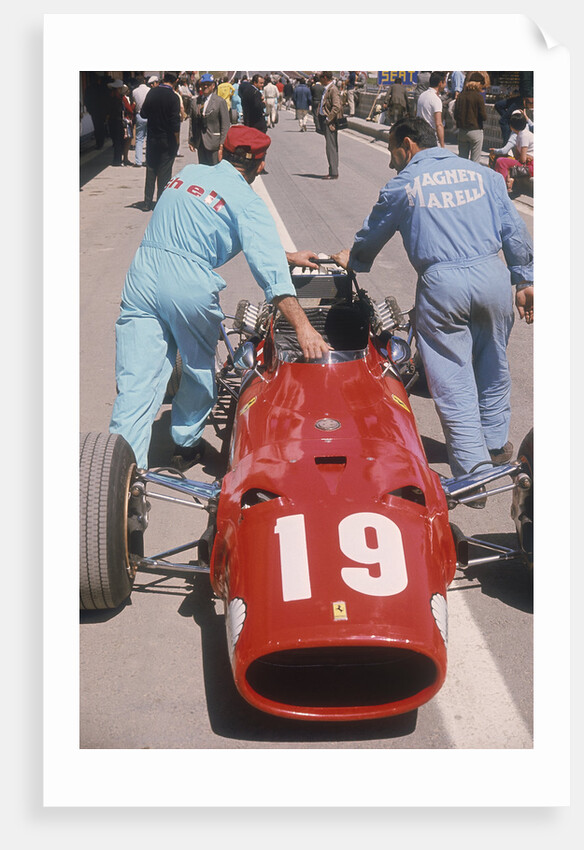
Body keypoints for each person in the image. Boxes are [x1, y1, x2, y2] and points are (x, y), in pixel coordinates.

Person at [109, 125, 329, 471]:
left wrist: (285, 254)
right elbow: (272, 278)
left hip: (142, 276)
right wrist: (303, 327)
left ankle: (120, 473)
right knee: (198, 369)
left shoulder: (189, 173)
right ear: (261, 164)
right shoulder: (248, 202)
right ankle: (186, 442)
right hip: (187, 285)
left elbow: (199, 224)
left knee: (136, 381)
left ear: (222, 154)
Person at [331, 116, 533, 482]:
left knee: (452, 378)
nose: (392, 161)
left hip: (443, 287)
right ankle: (495, 443)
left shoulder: (403, 185)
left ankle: (474, 474)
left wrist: (355, 258)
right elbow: (514, 231)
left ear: (407, 144)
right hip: (493, 277)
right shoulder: (484, 176)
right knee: (493, 365)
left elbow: (373, 233)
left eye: (394, 151)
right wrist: (524, 280)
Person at [139, 72, 181, 210]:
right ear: (176, 81)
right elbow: (175, 123)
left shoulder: (152, 93)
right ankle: (161, 203)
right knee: (164, 173)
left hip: (152, 139)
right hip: (167, 141)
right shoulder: (174, 98)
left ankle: (147, 202)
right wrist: (177, 141)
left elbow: (143, 113)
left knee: (151, 171)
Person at [189, 73, 230, 166]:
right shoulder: (196, 102)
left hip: (214, 143)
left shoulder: (219, 102)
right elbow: (192, 122)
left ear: (213, 86)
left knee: (215, 171)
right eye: (203, 84)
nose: (205, 86)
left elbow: (225, 125)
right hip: (200, 143)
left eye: (208, 84)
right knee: (203, 170)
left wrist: (222, 145)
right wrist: (191, 140)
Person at [494, 111, 534, 194]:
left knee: (501, 161)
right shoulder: (520, 134)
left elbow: (522, 159)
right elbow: (517, 156)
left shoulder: (524, 136)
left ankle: (502, 187)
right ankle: (501, 185)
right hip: (527, 163)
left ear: (512, 126)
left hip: (530, 166)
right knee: (502, 160)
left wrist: (525, 156)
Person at [453, 72, 487, 163]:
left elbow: (455, 114)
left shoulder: (460, 96)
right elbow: (483, 116)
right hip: (475, 131)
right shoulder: (478, 97)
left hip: (462, 131)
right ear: (478, 84)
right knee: (475, 162)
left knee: (462, 161)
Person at [318, 71, 343, 179]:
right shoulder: (327, 88)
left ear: (325, 77)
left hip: (330, 122)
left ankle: (333, 172)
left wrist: (328, 119)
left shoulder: (333, 89)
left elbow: (336, 106)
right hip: (326, 120)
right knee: (330, 147)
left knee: (331, 147)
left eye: (320, 78)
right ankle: (332, 170)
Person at [416, 71, 446, 147]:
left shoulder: (422, 95)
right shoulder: (436, 99)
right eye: (444, 82)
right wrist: (442, 145)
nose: (445, 85)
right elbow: (438, 124)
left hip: (419, 135)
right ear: (440, 83)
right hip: (430, 138)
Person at [106, 79, 130, 166]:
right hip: (117, 121)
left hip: (113, 121)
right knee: (118, 141)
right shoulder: (117, 98)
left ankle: (117, 159)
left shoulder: (112, 97)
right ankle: (117, 160)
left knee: (117, 142)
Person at [132, 74, 151, 167]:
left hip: (139, 115)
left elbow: (134, 103)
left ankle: (138, 161)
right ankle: (148, 160)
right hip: (149, 115)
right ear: (144, 81)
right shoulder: (149, 90)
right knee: (148, 139)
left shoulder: (134, 91)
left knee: (139, 139)